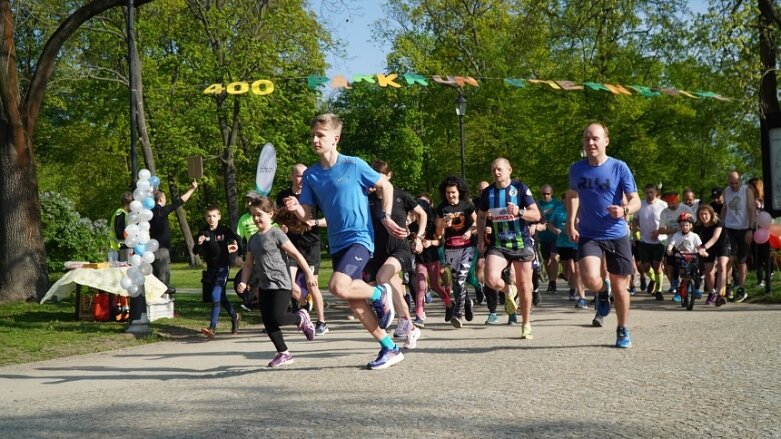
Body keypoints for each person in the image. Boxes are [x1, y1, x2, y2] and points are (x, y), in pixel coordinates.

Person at [283, 113, 408, 370]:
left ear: (335, 138)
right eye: (312, 135)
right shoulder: (312, 176)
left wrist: (384, 215)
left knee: (337, 286)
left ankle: (379, 293)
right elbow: (308, 217)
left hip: (360, 237)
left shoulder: (354, 165)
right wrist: (296, 207)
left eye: (320, 135)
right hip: (338, 242)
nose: (314, 140)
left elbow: (386, 186)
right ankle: (390, 348)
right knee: (353, 299)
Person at [566, 122, 640, 349]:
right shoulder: (576, 169)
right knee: (588, 278)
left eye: (595, 138)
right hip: (589, 233)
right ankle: (601, 291)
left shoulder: (619, 167)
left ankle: (622, 329)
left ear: (605, 141)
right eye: (586, 138)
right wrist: (571, 222)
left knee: (621, 288)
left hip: (616, 233)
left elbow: (636, 200)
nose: (590, 143)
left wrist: (624, 210)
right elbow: (573, 195)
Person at [237, 197, 317, 367]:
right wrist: (243, 282)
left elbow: (296, 254)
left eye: (259, 215)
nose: (256, 218)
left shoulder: (276, 234)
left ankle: (301, 318)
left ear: (270, 214)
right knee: (268, 320)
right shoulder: (253, 240)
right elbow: (248, 264)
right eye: (253, 215)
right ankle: (284, 353)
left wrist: (309, 275)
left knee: (278, 317)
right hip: (264, 284)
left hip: (281, 282)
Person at [477, 158, 541, 339]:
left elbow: (536, 214)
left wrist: (519, 212)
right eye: (493, 170)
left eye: (499, 169)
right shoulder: (488, 192)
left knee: (524, 285)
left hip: (521, 244)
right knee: (490, 278)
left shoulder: (520, 188)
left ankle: (526, 323)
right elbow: (481, 217)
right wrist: (481, 238)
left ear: (509, 170)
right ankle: (508, 291)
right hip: (499, 244)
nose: (496, 172)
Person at [365, 160, 425, 349]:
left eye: (380, 175)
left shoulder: (401, 196)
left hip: (400, 249)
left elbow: (422, 214)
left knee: (384, 277)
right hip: (378, 252)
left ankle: (406, 323)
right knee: (386, 287)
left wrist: (419, 237)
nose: (377, 180)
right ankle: (408, 324)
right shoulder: (369, 199)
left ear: (389, 176)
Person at [276, 164, 329, 335]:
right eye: (298, 176)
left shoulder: (314, 194)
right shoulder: (283, 196)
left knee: (312, 283)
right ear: (292, 176)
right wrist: (281, 227)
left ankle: (321, 322)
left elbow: (330, 218)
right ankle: (306, 303)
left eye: (304, 176)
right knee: (288, 284)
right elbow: (279, 217)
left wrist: (316, 222)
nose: (302, 180)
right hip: (291, 245)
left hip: (310, 245)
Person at [193, 204, 241, 339]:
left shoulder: (224, 230)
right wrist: (199, 243)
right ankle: (235, 316)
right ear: (205, 217)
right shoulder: (203, 232)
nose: (211, 219)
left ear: (219, 217)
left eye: (214, 216)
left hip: (223, 267)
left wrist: (240, 253)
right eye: (209, 216)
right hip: (211, 268)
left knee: (215, 295)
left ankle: (212, 327)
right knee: (221, 297)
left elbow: (237, 239)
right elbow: (194, 251)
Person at [435, 176, 477, 328]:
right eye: (447, 193)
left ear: (459, 192)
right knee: (457, 282)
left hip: (467, 247)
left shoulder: (467, 206)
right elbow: (438, 233)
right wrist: (443, 226)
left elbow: (478, 222)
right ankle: (467, 302)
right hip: (450, 249)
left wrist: (470, 231)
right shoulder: (442, 208)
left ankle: (457, 314)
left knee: (460, 280)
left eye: (453, 192)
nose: (450, 195)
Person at [149, 180, 198, 294]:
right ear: (161, 199)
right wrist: (192, 189)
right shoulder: (162, 211)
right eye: (165, 197)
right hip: (162, 250)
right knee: (163, 279)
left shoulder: (149, 212)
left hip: (150, 250)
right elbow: (180, 201)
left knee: (154, 278)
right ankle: (163, 302)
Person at [410, 193, 451, 327]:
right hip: (420, 259)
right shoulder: (412, 226)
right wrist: (413, 245)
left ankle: (449, 304)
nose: (416, 214)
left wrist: (430, 243)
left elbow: (440, 241)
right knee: (420, 286)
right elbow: (409, 240)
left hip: (433, 258)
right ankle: (419, 315)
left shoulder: (433, 224)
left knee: (435, 286)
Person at [721, 171, 756, 303]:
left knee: (741, 261)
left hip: (744, 228)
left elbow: (752, 210)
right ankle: (728, 286)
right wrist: (721, 224)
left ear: (740, 181)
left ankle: (742, 288)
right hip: (729, 228)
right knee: (728, 259)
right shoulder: (726, 191)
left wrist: (750, 229)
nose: (734, 186)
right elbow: (725, 208)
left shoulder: (746, 190)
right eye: (731, 183)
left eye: (736, 183)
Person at [656, 191, 694, 301]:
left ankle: (686, 288)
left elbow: (694, 224)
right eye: (669, 203)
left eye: (673, 203)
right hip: (671, 243)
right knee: (670, 267)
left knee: (684, 268)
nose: (671, 205)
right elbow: (661, 230)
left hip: (686, 244)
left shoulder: (686, 209)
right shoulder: (664, 212)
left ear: (678, 200)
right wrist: (675, 230)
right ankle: (676, 287)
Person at [634, 184, 668, 299]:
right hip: (644, 240)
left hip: (660, 240)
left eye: (651, 192)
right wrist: (635, 234)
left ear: (656, 193)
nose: (649, 195)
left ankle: (658, 290)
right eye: (647, 192)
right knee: (645, 266)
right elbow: (635, 220)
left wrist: (659, 232)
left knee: (657, 265)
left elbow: (668, 221)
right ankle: (653, 279)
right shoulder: (640, 205)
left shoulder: (663, 205)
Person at [694, 204, 730, 306]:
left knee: (722, 265)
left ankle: (720, 295)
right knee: (708, 272)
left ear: (711, 214)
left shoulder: (718, 222)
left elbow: (715, 237)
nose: (703, 216)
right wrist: (699, 249)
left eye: (705, 214)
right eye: (701, 214)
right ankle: (712, 292)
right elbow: (694, 240)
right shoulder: (697, 226)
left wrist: (703, 248)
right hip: (706, 247)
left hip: (722, 244)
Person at [665, 212, 706, 300]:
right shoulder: (677, 235)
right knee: (678, 267)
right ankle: (676, 286)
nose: (684, 227)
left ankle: (697, 289)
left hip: (692, 257)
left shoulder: (695, 236)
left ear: (691, 226)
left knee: (695, 271)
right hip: (680, 256)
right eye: (682, 225)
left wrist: (702, 251)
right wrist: (669, 250)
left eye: (687, 225)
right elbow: (671, 244)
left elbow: (699, 247)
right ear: (680, 226)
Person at [235, 190, 261, 311]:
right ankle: (254, 301)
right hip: (252, 253)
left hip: (266, 252)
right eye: (247, 201)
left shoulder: (263, 215)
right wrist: (239, 255)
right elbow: (239, 239)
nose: (249, 203)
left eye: (251, 200)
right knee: (254, 278)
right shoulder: (243, 219)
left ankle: (252, 301)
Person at [536, 184, 564, 294]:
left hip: (555, 235)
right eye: (543, 194)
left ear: (551, 193)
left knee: (554, 258)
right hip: (543, 236)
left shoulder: (557, 204)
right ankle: (550, 280)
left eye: (548, 194)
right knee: (546, 260)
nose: (545, 196)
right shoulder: (537, 204)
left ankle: (553, 282)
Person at [748, 177, 770, 291]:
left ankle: (768, 276)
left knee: (765, 254)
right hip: (753, 228)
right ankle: (760, 279)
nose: (749, 189)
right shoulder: (748, 199)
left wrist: (759, 207)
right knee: (755, 254)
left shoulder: (765, 199)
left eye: (751, 187)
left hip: (764, 229)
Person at [109, 192, 133, 258]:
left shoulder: (120, 213)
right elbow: (120, 233)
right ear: (128, 204)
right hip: (120, 248)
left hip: (118, 248)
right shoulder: (121, 213)